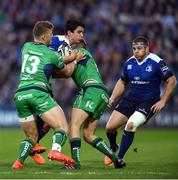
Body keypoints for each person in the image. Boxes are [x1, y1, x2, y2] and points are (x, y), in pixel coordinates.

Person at [12, 20, 84, 169]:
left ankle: (18, 162)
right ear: (44, 37)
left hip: (20, 94)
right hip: (38, 93)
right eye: (50, 35)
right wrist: (75, 59)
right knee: (62, 127)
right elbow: (66, 70)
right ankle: (55, 151)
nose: (52, 38)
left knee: (31, 137)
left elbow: (48, 59)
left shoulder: (26, 47)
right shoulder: (51, 54)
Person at [104, 36, 177, 168]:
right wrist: (113, 98)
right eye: (134, 48)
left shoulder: (157, 62)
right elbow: (122, 81)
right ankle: (114, 146)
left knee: (131, 125)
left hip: (149, 101)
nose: (136, 51)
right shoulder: (129, 63)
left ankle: (118, 159)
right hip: (131, 98)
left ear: (147, 49)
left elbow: (172, 81)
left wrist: (163, 101)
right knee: (110, 127)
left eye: (139, 48)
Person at [55, 40, 118, 169]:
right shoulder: (87, 56)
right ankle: (115, 158)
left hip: (90, 89)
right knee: (88, 135)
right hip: (102, 92)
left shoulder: (78, 53)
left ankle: (75, 163)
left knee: (73, 126)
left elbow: (63, 68)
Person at [30, 19, 86, 164]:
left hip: (44, 84)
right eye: (79, 32)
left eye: (83, 33)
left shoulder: (64, 44)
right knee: (56, 120)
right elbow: (53, 62)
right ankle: (32, 146)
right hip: (38, 85)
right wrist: (74, 59)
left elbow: (55, 68)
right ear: (69, 33)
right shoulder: (59, 42)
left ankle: (32, 145)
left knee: (47, 122)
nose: (82, 35)